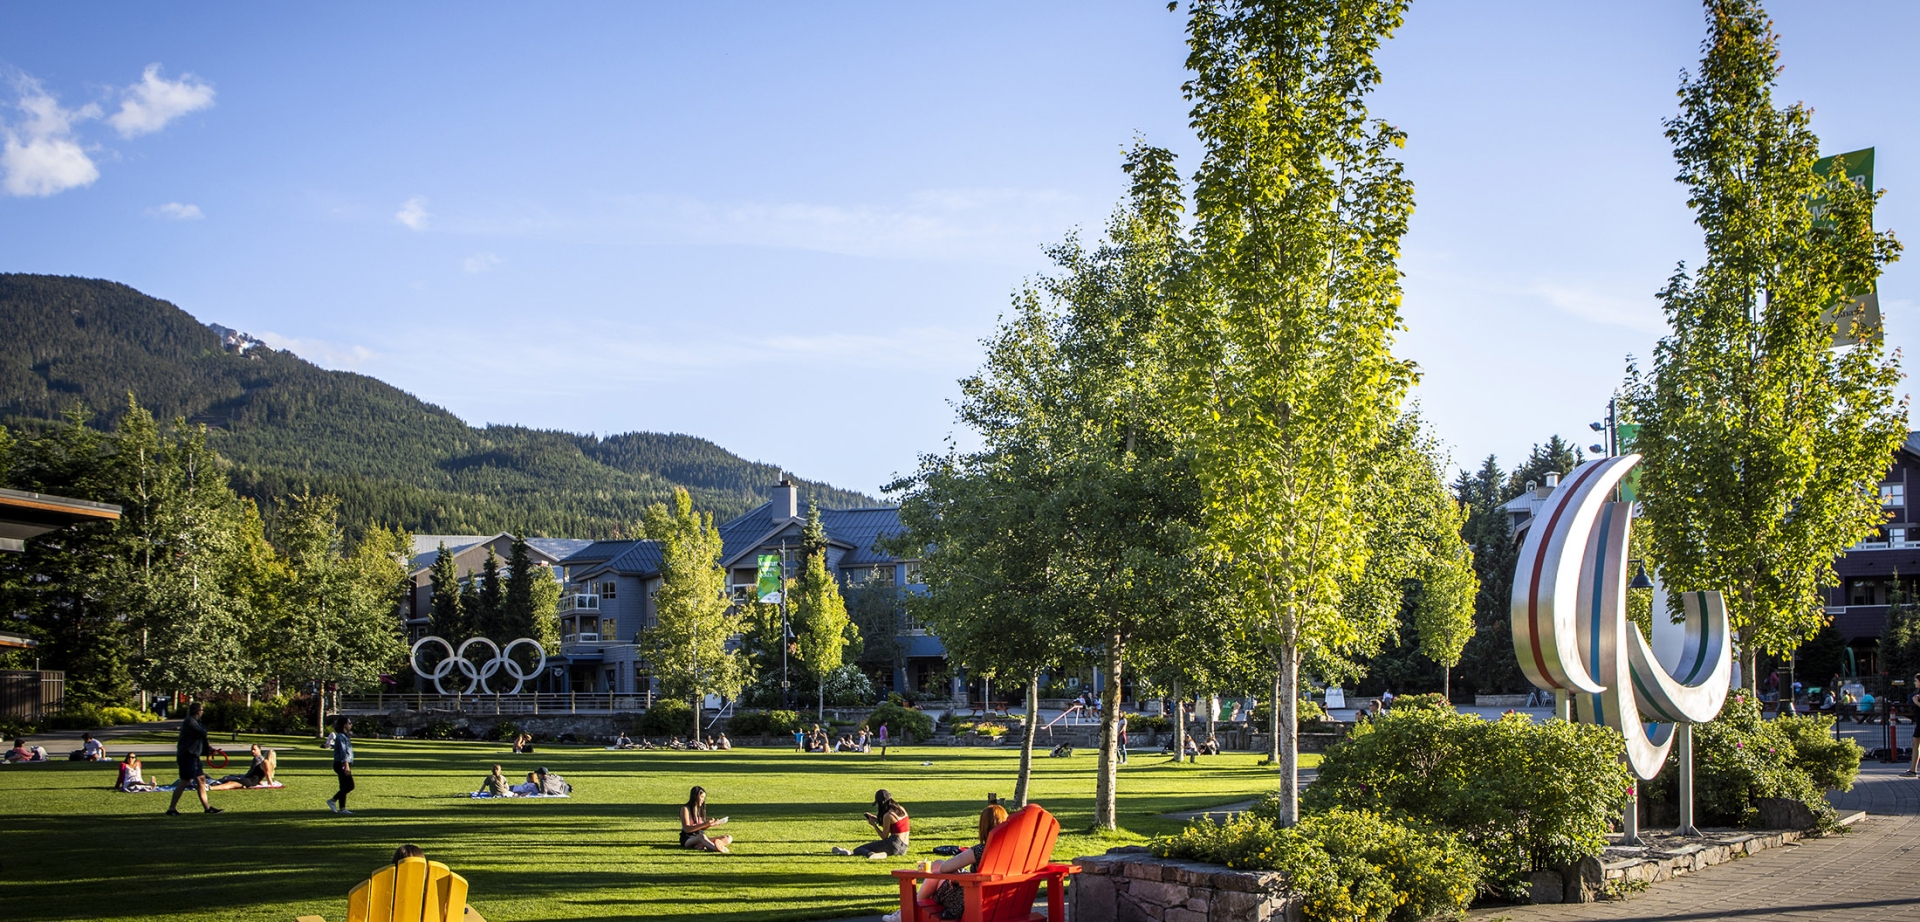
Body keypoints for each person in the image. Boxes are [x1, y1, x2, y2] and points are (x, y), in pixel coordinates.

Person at [884, 804, 1008, 922]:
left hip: (971, 901)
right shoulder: (1013, 851)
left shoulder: (981, 850)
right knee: (939, 865)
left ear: (983, 826)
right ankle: (906, 911)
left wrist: (956, 876)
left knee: (938, 867)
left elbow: (945, 868)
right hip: (999, 900)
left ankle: (906, 912)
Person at [167, 702, 221, 816]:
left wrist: (209, 749)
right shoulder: (190, 721)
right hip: (187, 756)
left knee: (201, 780)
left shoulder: (197, 722)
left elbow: (203, 738)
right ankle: (171, 808)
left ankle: (207, 808)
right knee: (185, 780)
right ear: (198, 711)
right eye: (201, 710)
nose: (202, 712)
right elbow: (203, 733)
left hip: (194, 756)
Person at [832, 789, 912, 859]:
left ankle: (864, 853)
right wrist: (876, 819)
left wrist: (874, 824)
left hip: (893, 844)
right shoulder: (901, 809)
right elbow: (895, 825)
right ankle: (879, 853)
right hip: (904, 848)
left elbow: (884, 836)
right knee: (874, 844)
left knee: (860, 849)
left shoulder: (888, 815)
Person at [679, 785, 732, 853]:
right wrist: (704, 824)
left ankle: (701, 845)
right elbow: (687, 829)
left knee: (728, 838)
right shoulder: (685, 809)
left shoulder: (700, 809)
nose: (703, 800)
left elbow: (701, 828)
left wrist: (711, 824)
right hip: (688, 838)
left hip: (700, 836)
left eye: (704, 797)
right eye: (701, 797)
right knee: (701, 836)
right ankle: (716, 848)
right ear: (695, 796)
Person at [210, 745, 277, 790]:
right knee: (231, 783)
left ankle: (211, 787)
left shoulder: (265, 762)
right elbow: (260, 775)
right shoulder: (267, 763)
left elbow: (267, 775)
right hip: (251, 780)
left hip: (250, 780)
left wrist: (271, 785)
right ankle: (211, 786)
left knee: (231, 783)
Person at [325, 716, 356, 815]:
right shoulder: (341, 737)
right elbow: (343, 753)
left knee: (344, 786)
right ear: (344, 724)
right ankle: (332, 800)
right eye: (349, 723)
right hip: (342, 764)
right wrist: (346, 765)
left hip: (343, 763)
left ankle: (342, 808)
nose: (350, 725)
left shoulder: (344, 736)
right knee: (350, 786)